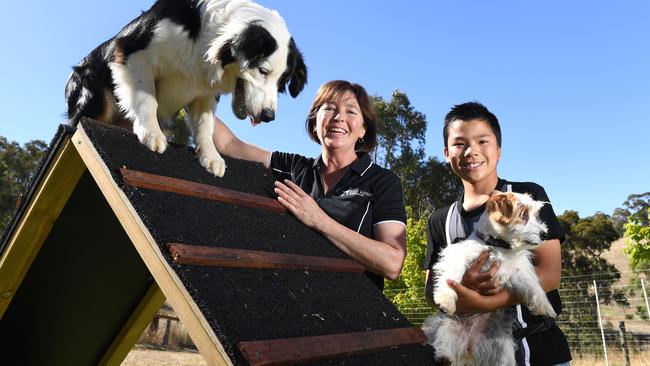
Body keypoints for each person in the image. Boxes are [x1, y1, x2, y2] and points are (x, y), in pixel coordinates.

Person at [212, 80, 407, 289]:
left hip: (355, 313)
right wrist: (189, 97)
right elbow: (229, 145)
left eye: (351, 111)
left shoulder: (382, 181)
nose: (339, 117)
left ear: (363, 130)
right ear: (315, 122)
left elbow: (392, 264)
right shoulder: (295, 168)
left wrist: (319, 220)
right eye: (330, 108)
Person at [423, 102, 572, 365]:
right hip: (477, 354)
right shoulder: (440, 220)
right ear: (446, 153)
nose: (471, 151)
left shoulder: (528, 195)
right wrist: (461, 290)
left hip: (542, 350)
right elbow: (431, 290)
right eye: (459, 144)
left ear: (499, 150)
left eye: (482, 141)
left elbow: (550, 274)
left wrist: (485, 302)